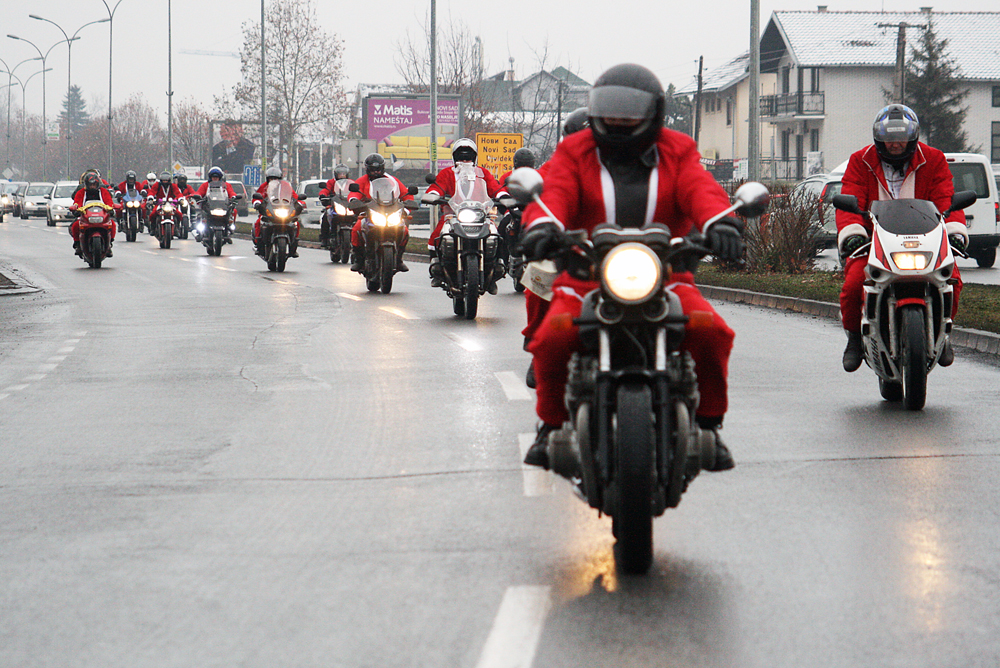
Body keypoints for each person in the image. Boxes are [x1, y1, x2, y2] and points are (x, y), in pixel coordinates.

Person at [517, 63, 744, 471]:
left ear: (654, 113)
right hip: (586, 276)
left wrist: (721, 222)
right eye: (610, 109)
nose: (619, 120)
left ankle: (709, 424)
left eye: (630, 111)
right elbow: (557, 192)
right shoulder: (575, 150)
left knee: (712, 331)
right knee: (551, 338)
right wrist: (541, 226)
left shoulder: (678, 150)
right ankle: (550, 426)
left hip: (667, 276)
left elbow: (700, 189)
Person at [837, 104, 967, 372]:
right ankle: (854, 338)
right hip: (874, 241)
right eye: (889, 138)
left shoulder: (934, 159)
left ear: (913, 136)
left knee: (952, 279)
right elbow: (850, 200)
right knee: (854, 283)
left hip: (926, 239)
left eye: (901, 138)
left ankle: (943, 333)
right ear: (878, 137)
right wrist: (852, 234)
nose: (895, 144)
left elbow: (946, 198)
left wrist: (955, 232)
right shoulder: (860, 161)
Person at [424, 137, 506, 288]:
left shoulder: (482, 173)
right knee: (437, 235)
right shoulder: (447, 173)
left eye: (468, 158)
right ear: (454, 158)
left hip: (481, 215)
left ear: (474, 158)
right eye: (461, 158)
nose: (465, 161)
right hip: (453, 214)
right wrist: (433, 195)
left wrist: (503, 196)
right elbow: (437, 187)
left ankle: (494, 269)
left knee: (496, 235)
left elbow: (494, 187)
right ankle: (437, 268)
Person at [346, 153, 414, 272]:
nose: (375, 172)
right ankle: (359, 259)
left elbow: (405, 194)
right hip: (369, 212)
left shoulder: (392, 180)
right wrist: (354, 201)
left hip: (390, 211)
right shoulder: (362, 180)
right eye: (372, 170)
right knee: (357, 229)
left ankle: (398, 259)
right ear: (367, 169)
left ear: (382, 168)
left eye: (378, 169)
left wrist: (406, 209)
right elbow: (354, 193)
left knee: (405, 231)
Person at [252, 165, 304, 257]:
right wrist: (257, 203)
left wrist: (300, 203)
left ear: (280, 179)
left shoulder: (286, 186)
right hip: (269, 211)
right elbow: (258, 196)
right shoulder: (264, 186)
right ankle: (258, 244)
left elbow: (294, 196)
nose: (273, 180)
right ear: (267, 179)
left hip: (284, 210)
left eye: (275, 178)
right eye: (271, 178)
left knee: (296, 223)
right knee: (258, 223)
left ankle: (294, 246)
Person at [69, 172, 117, 256]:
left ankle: (109, 244)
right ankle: (78, 245)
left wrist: (111, 209)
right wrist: (76, 209)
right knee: (75, 225)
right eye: (90, 185)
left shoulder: (103, 191)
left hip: (101, 215)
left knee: (112, 224)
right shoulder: (81, 192)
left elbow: (109, 202)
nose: (92, 187)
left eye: (94, 185)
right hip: (85, 216)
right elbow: (77, 202)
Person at [319, 164, 354, 249]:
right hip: (335, 204)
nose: (342, 176)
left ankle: (357, 240)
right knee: (325, 216)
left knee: (358, 218)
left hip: (348, 205)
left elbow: (356, 191)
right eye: (340, 174)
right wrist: (323, 194)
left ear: (347, 174)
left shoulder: (351, 183)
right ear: (336, 174)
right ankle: (324, 238)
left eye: (343, 174)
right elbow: (326, 189)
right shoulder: (331, 182)